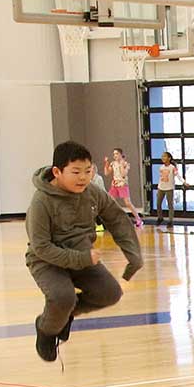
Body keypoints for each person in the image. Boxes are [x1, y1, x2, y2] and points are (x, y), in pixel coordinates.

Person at [26, 141, 144, 362]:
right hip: (47, 260)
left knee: (110, 293)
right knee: (63, 297)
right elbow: (41, 247)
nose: (83, 177)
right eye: (76, 172)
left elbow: (116, 219)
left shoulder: (92, 193)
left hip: (83, 257)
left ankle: (63, 316)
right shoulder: (41, 202)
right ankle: (46, 329)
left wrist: (133, 255)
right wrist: (82, 258)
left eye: (88, 171)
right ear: (57, 172)